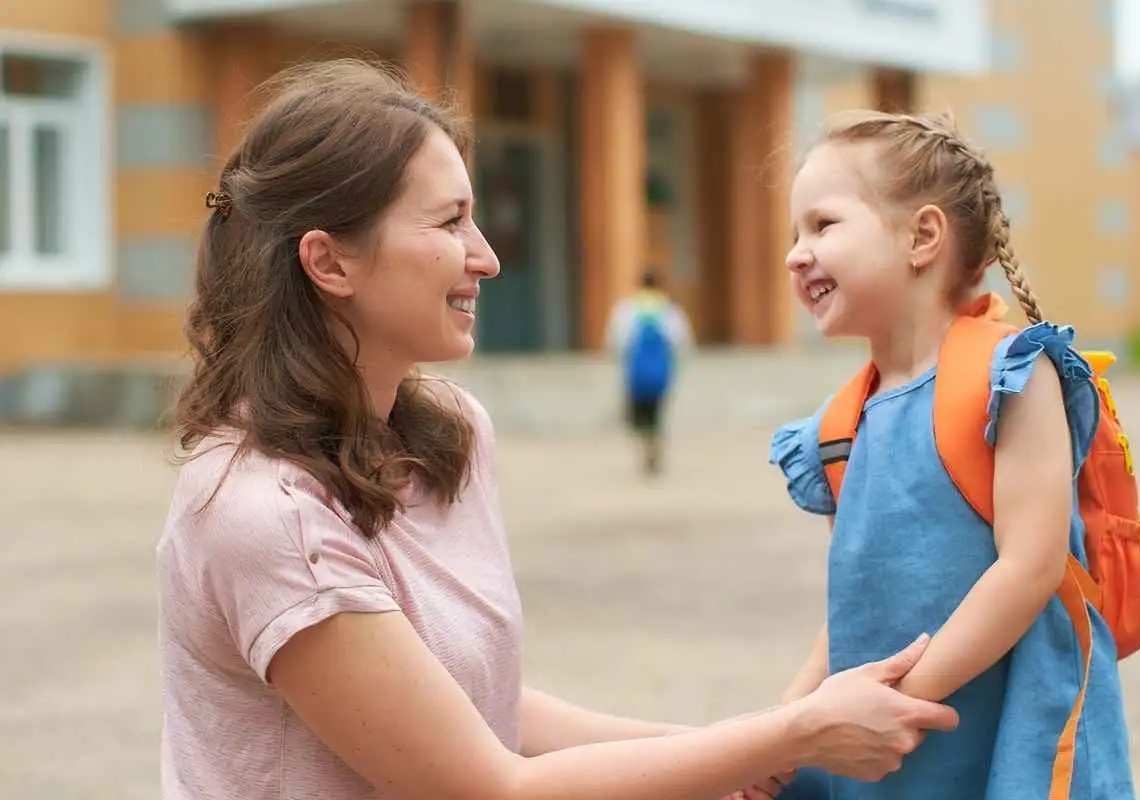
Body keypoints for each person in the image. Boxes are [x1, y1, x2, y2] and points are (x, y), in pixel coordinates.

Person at [156, 59, 960, 800]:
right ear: (330, 262)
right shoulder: (264, 517)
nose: (486, 257)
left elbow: (488, 711)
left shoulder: (450, 435)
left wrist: (750, 754)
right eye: (450, 223)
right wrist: (791, 734)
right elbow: (488, 786)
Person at [769, 111, 1136, 799]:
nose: (796, 253)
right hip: (883, 749)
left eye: (822, 225)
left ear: (922, 237)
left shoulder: (1012, 375)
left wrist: (900, 704)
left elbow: (1030, 568)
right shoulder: (841, 424)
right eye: (794, 233)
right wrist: (790, 724)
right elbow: (853, 609)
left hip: (1007, 739)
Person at [605, 270, 693, 476]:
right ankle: (654, 442)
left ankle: (645, 443)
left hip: (636, 373)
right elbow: (682, 342)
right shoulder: (669, 310)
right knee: (656, 412)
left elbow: (616, 341)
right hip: (661, 372)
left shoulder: (627, 309)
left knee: (637, 414)